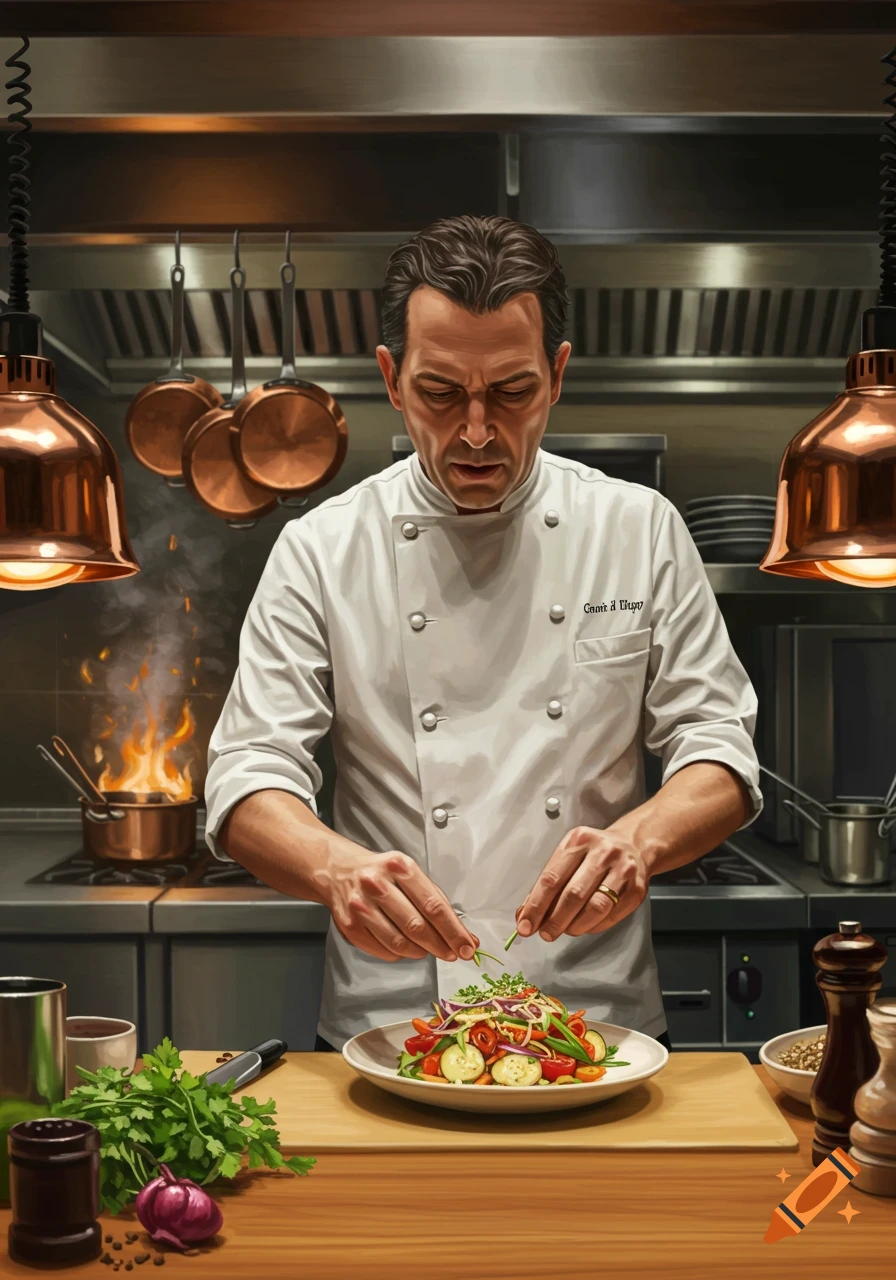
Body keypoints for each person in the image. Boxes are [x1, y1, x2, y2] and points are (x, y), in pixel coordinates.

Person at [204, 214, 761, 1055]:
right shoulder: (322, 548)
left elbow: (718, 745)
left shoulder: (638, 529)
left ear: (557, 376)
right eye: (440, 392)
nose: (474, 432)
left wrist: (637, 842)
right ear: (392, 380)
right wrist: (333, 867)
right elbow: (248, 773)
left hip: (593, 1020)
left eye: (511, 392)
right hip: (392, 1024)